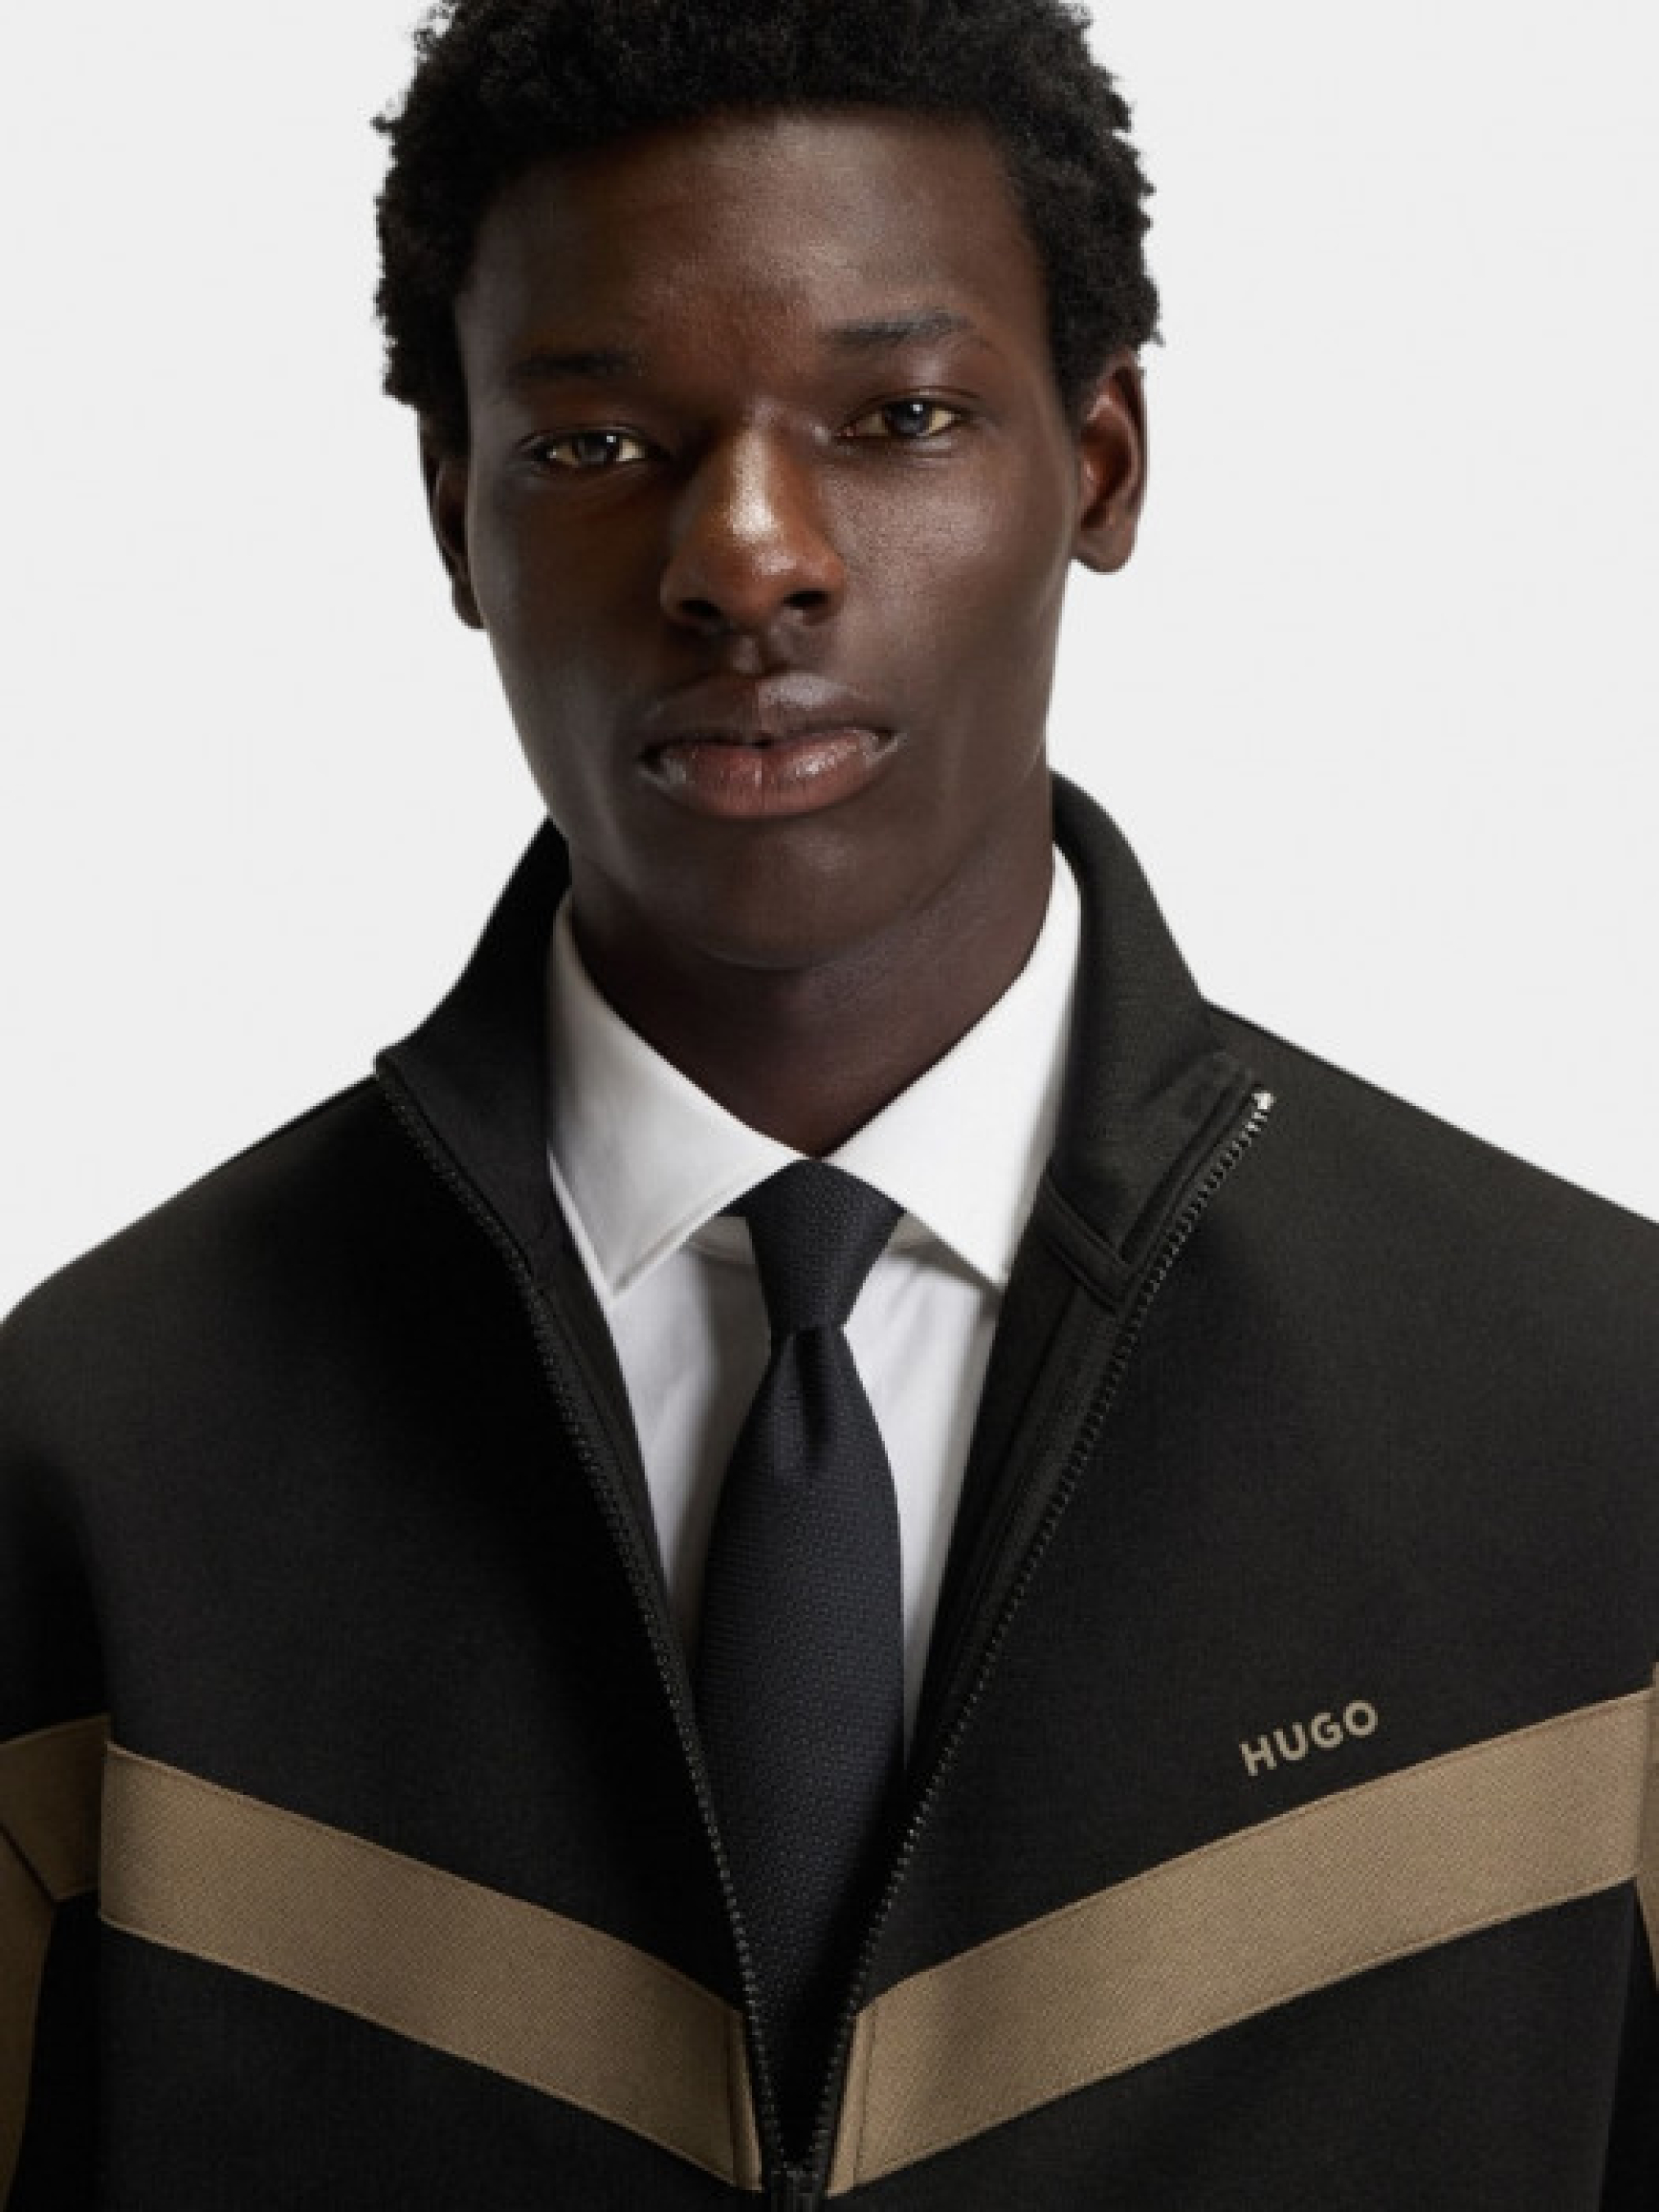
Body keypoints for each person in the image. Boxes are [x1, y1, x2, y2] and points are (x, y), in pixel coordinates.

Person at [2, 0, 1655, 2205]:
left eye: (898, 416)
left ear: (1099, 463)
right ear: (452, 513)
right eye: (598, 441)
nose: (749, 556)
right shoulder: (97, 1465)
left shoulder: (1593, 1429)